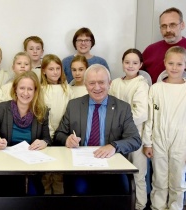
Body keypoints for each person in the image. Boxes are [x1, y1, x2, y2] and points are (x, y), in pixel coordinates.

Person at [54, 64, 141, 195]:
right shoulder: (74, 105)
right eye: (92, 83)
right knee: (79, 191)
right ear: (85, 84)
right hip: (80, 166)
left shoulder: (122, 108)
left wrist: (114, 146)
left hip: (111, 166)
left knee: (122, 192)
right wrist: (67, 140)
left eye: (101, 82)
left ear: (109, 83)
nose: (97, 87)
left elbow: (135, 140)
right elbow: (59, 134)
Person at [0, 71, 51, 196]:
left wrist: (44, 142)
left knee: (34, 194)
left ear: (35, 91)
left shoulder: (42, 111)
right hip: (5, 163)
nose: (25, 93)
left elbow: (47, 138)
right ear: (15, 89)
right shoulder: (1, 109)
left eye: (30, 89)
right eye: (22, 88)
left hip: (30, 164)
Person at [143, 46, 186, 210]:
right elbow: (149, 119)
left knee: (178, 180)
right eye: (171, 63)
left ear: (185, 65)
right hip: (159, 139)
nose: (174, 67)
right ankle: (157, 207)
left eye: (179, 64)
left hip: (182, 141)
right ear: (164, 64)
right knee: (159, 179)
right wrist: (147, 143)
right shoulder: (156, 88)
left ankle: (176, 207)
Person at [109, 49, 149, 210]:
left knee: (138, 173)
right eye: (127, 62)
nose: (130, 66)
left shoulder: (141, 84)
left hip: (135, 135)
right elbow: (109, 104)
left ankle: (140, 205)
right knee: (117, 170)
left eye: (134, 63)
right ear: (122, 63)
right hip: (116, 135)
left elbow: (141, 113)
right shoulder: (116, 83)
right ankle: (121, 203)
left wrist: (120, 122)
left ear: (140, 65)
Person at [40, 54, 73, 195]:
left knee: (59, 170)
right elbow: (40, 112)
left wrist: (62, 132)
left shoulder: (67, 88)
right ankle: (46, 198)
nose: (55, 72)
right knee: (45, 171)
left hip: (62, 132)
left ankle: (59, 200)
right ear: (44, 71)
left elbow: (71, 112)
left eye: (57, 68)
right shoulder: (40, 89)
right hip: (46, 133)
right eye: (51, 69)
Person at [142, 7, 186, 83]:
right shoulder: (150, 50)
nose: (168, 30)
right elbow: (135, 74)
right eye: (164, 26)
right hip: (152, 93)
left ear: (182, 25)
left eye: (172, 25)